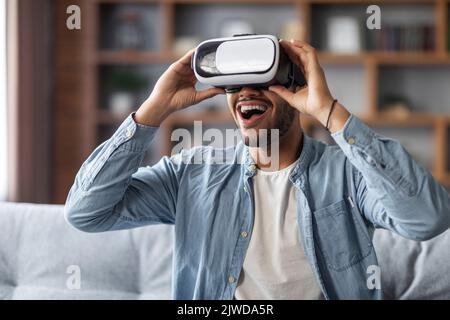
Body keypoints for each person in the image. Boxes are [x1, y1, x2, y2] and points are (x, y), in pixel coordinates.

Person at [65, 39, 450, 299]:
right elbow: (87, 212)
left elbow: (427, 219)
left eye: (261, 81)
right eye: (234, 85)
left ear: (295, 91)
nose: (246, 93)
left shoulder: (347, 174)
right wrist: (154, 108)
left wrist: (330, 111)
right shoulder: (191, 174)